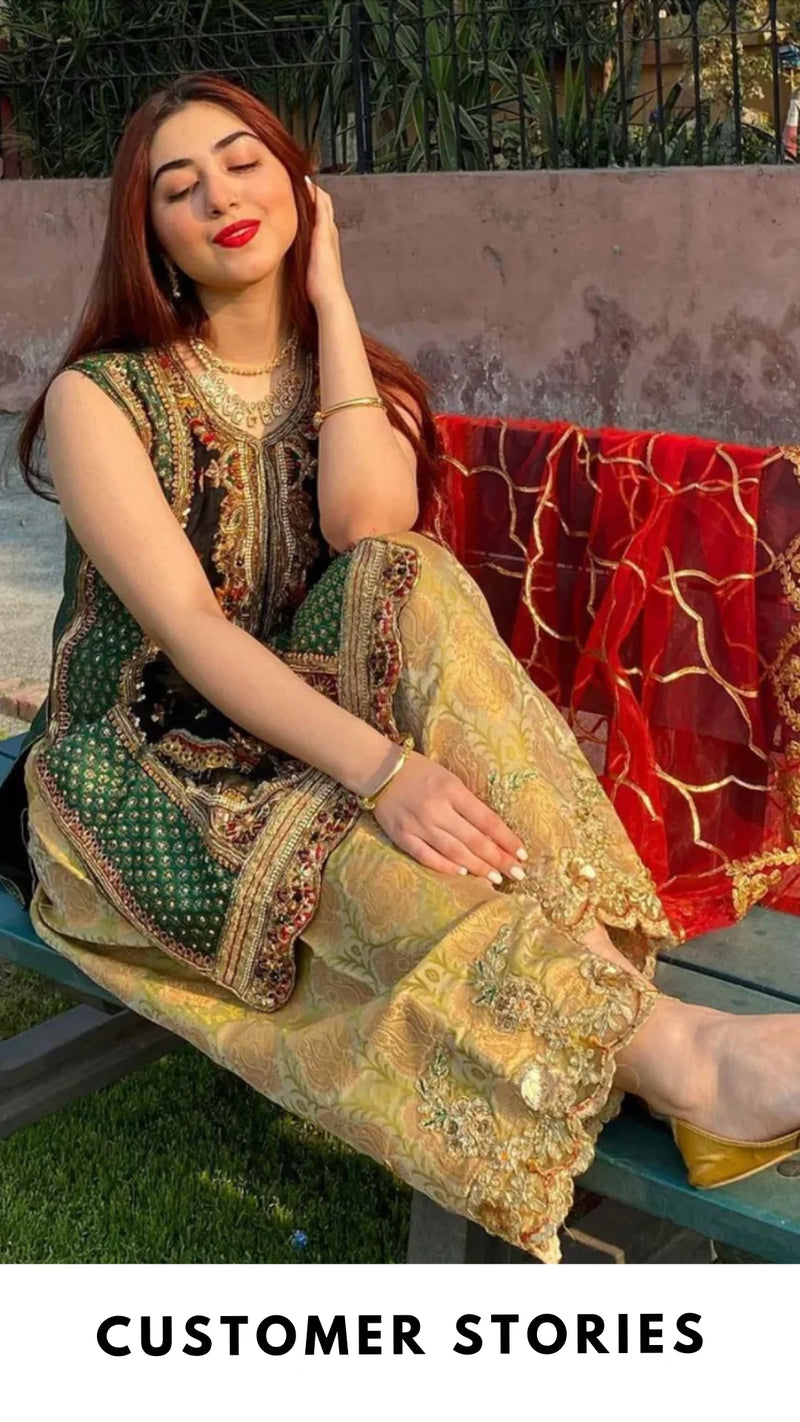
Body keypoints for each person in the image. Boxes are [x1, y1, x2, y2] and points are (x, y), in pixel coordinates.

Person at [1, 72, 799, 1264]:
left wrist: (329, 297)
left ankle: (618, 1008)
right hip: (137, 774)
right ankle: (681, 1057)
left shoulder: (355, 382)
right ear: (150, 233)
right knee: (353, 850)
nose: (220, 197)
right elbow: (195, 632)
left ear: (298, 186)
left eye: (244, 163)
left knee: (408, 575)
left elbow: (368, 533)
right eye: (179, 187)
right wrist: (386, 773)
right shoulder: (101, 397)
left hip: (302, 731)